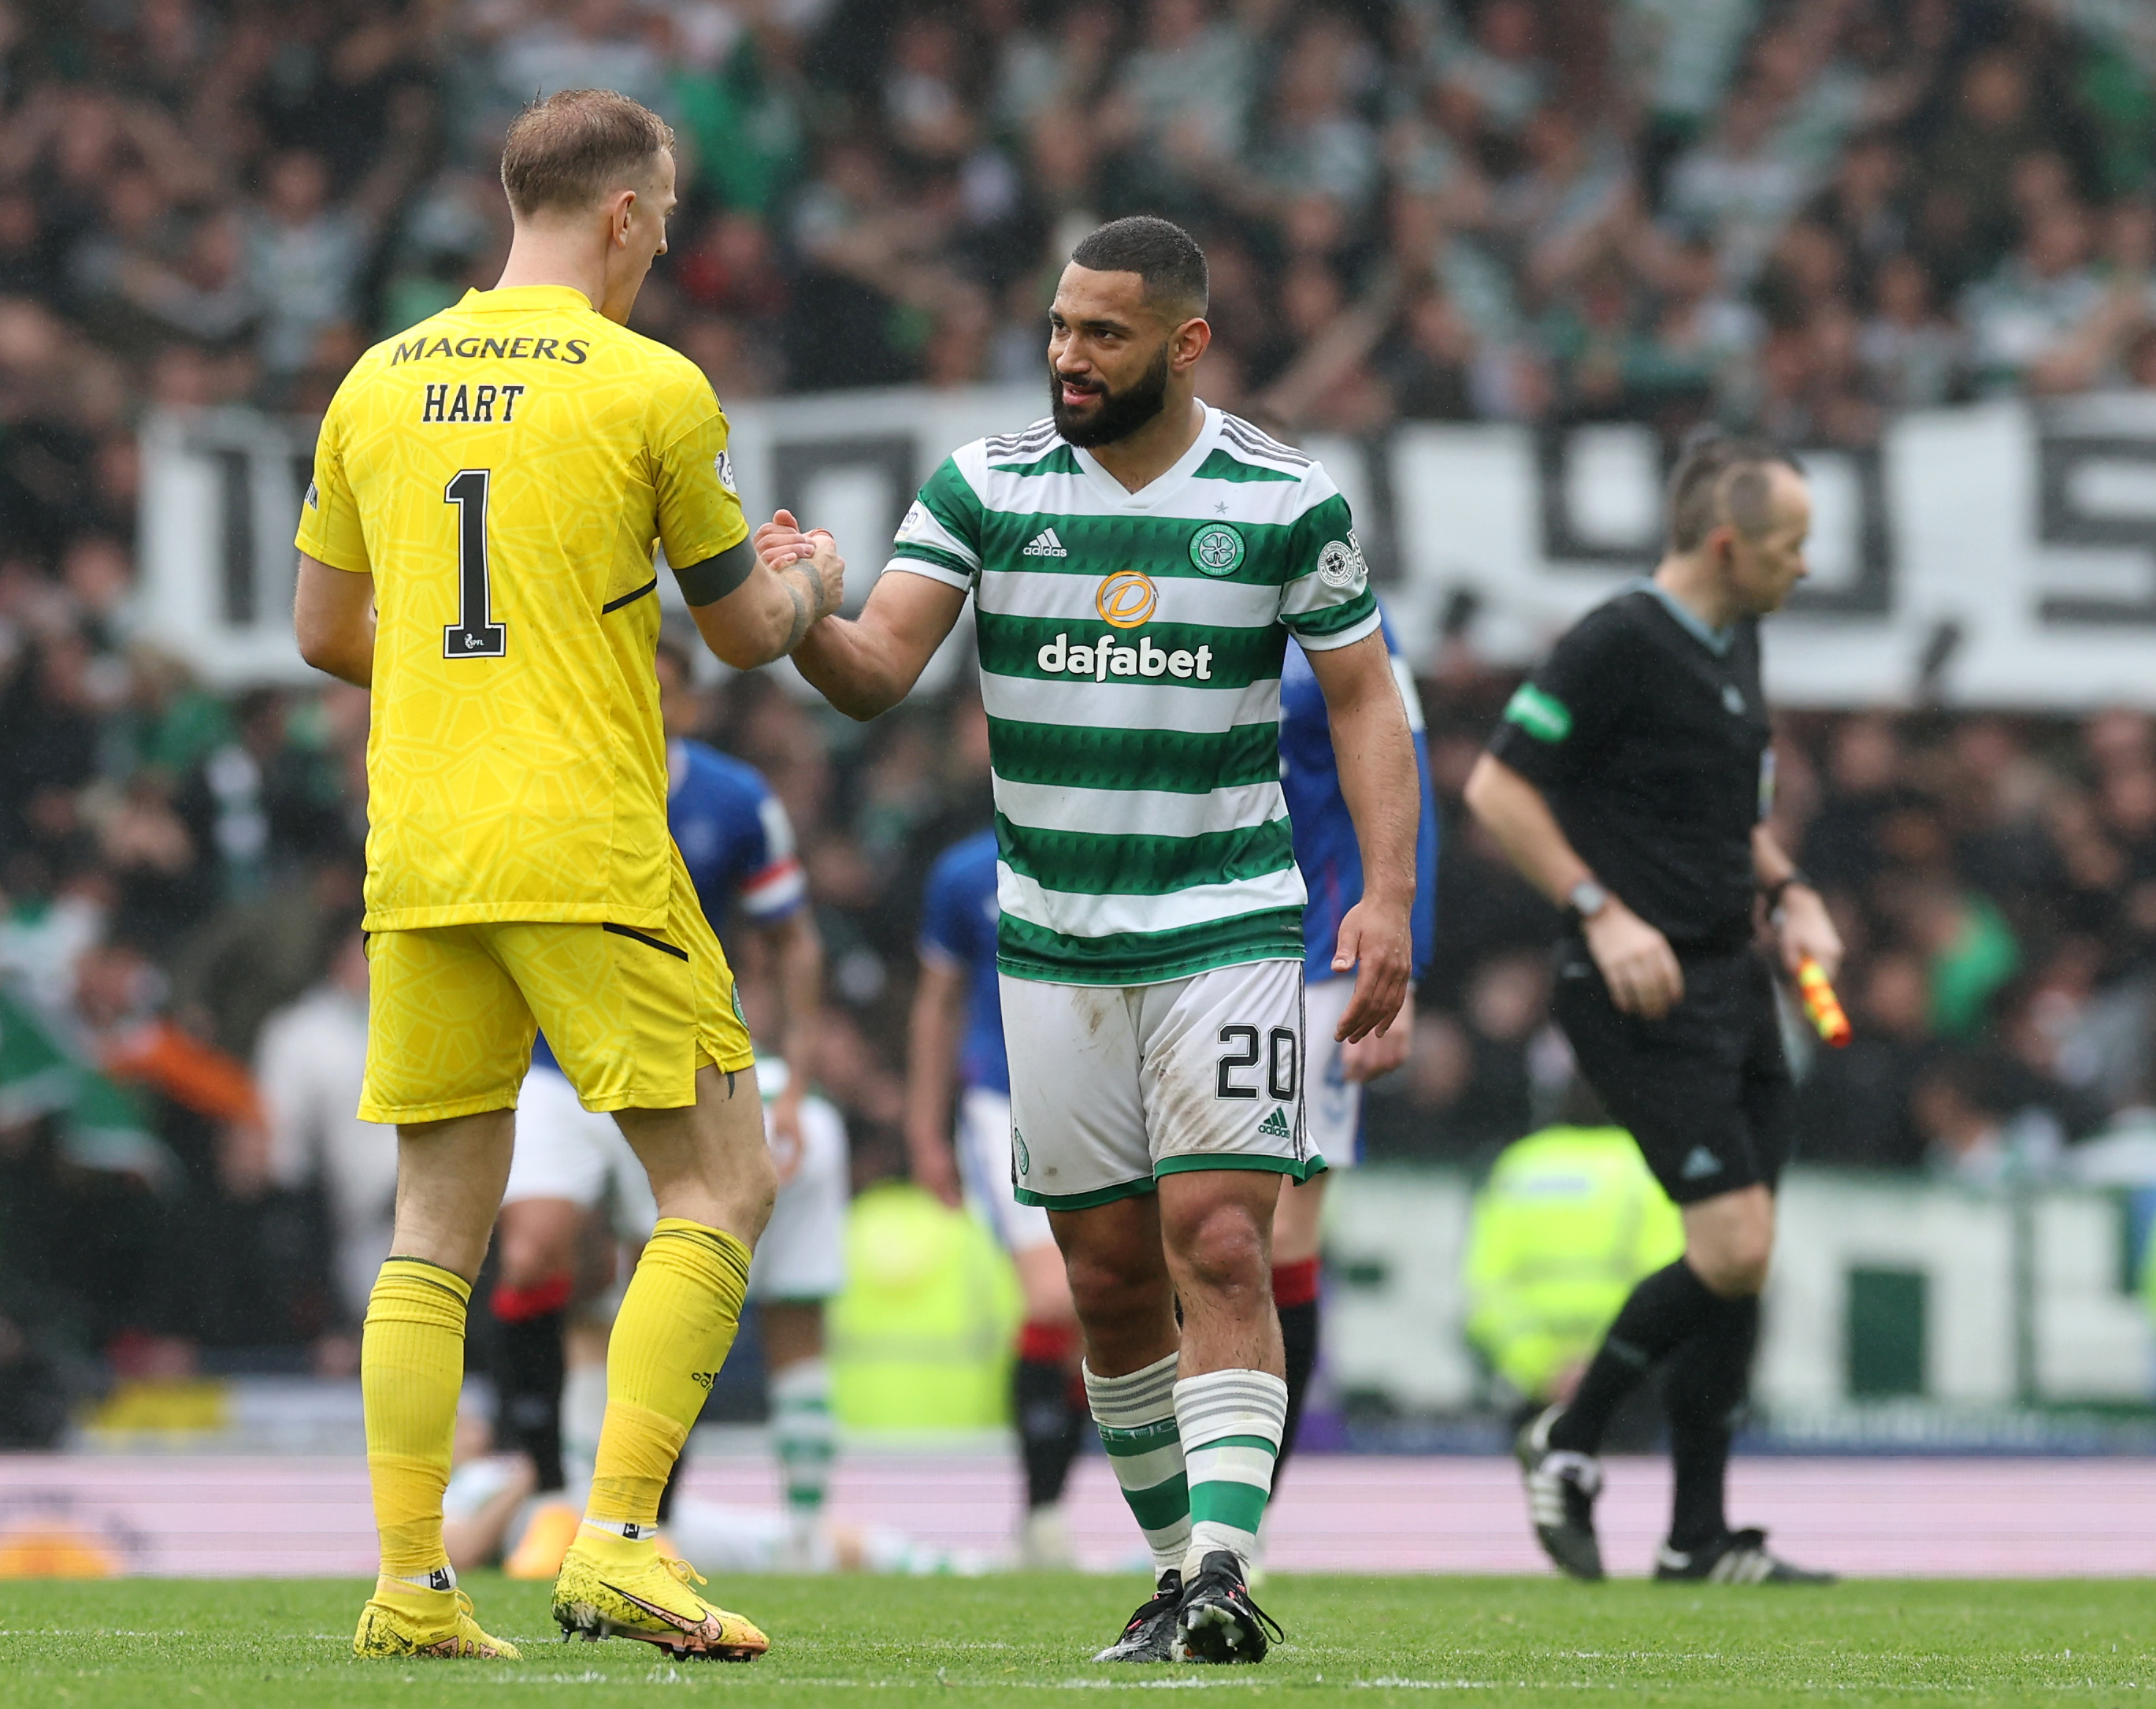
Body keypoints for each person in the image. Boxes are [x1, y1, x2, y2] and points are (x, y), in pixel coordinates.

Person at [778, 215, 1419, 1665]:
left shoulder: (1281, 496)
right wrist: (809, 604)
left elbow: (1369, 701)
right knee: (1110, 1280)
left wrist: (1383, 895)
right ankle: (1174, 1570)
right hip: (1052, 944)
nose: (1068, 356)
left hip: (1227, 920)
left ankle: (1225, 1565)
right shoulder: (985, 486)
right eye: (1061, 327)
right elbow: (877, 668)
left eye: (1103, 334)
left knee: (1218, 1238)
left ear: (1185, 343)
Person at [291, 87, 845, 1662]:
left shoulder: (377, 381)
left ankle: (411, 1584)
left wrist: (464, 678)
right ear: (620, 213)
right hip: (586, 840)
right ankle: (616, 1543)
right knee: (721, 1182)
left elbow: (327, 635)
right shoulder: (649, 386)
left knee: (432, 1226)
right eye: (661, 222)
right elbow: (743, 636)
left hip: (424, 847)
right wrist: (811, 584)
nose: (660, 248)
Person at [1464, 431, 1842, 1586]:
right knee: (1731, 1246)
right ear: (1727, 545)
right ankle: (1568, 1438)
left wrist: (1790, 892)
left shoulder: (1740, 639)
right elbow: (1496, 786)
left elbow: (1732, 818)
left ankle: (1699, 1535)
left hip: (1737, 979)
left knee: (1741, 1260)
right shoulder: (1617, 641)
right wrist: (1599, 910)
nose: (1805, 567)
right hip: (1642, 983)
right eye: (1790, 546)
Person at [489, 633, 833, 1575]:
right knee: (532, 1248)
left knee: (665, 1271)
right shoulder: (550, 778)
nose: (642, 695)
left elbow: (791, 939)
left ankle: (644, 1517)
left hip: (674, 1060)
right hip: (558, 1063)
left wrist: (795, 1074)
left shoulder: (732, 801)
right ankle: (554, 1495)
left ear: (685, 702)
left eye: (663, 685)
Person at [1270, 606, 1440, 1493]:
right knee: (1173, 1226)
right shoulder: (1161, 591)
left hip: (1316, 957)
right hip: (1176, 942)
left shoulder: (1349, 622)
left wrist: (1401, 955)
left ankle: (1243, 1516)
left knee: (1279, 1228)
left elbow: (1406, 777)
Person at [906, 826, 1086, 1569]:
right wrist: (924, 1130)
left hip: (1114, 1097)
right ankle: (1042, 1517)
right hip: (1001, 1100)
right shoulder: (963, 871)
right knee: (1053, 1299)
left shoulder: (1114, 843)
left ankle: (1071, 1504)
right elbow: (937, 1002)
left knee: (1107, 1303)